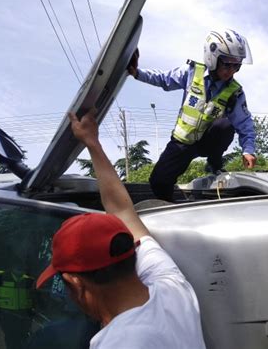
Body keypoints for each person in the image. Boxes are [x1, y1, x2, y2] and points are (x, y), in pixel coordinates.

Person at [36, 109, 206, 349]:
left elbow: (123, 212)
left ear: (76, 285)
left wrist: (92, 142)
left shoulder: (120, 343)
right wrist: (92, 143)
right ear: (130, 256)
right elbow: (122, 212)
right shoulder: (172, 289)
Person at [128, 28, 257, 201]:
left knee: (225, 126)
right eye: (227, 64)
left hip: (208, 141)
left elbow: (245, 124)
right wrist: (137, 73)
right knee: (158, 182)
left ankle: (214, 163)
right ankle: (170, 206)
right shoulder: (191, 72)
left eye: (237, 65)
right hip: (183, 142)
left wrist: (248, 150)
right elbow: (163, 79)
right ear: (213, 58)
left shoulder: (235, 92)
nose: (231, 70)